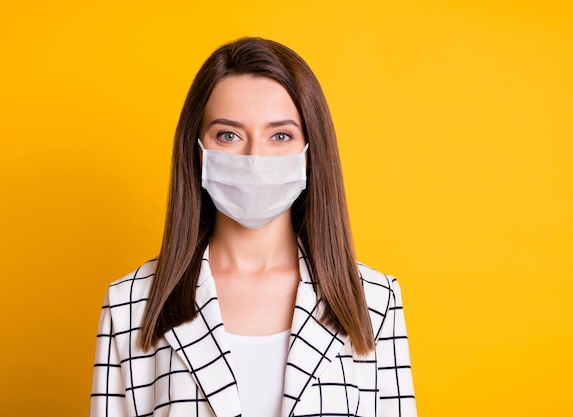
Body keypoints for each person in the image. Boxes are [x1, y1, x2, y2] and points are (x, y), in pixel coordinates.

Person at [90, 37, 416, 417]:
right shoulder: (131, 304)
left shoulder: (374, 301)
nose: (255, 158)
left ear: (311, 152)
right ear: (197, 150)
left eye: (281, 136)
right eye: (228, 135)